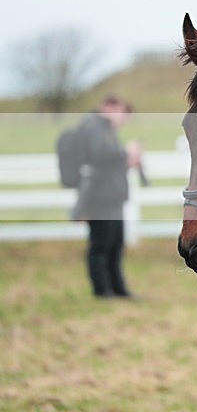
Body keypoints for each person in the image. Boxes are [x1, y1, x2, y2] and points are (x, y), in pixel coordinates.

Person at [71, 95, 142, 299]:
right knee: (101, 245)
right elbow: (99, 155)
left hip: (111, 197)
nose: (122, 120)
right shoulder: (94, 127)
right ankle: (102, 290)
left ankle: (117, 288)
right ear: (109, 108)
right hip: (100, 199)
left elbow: (107, 163)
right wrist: (126, 153)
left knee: (115, 245)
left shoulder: (105, 130)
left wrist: (125, 161)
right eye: (121, 112)